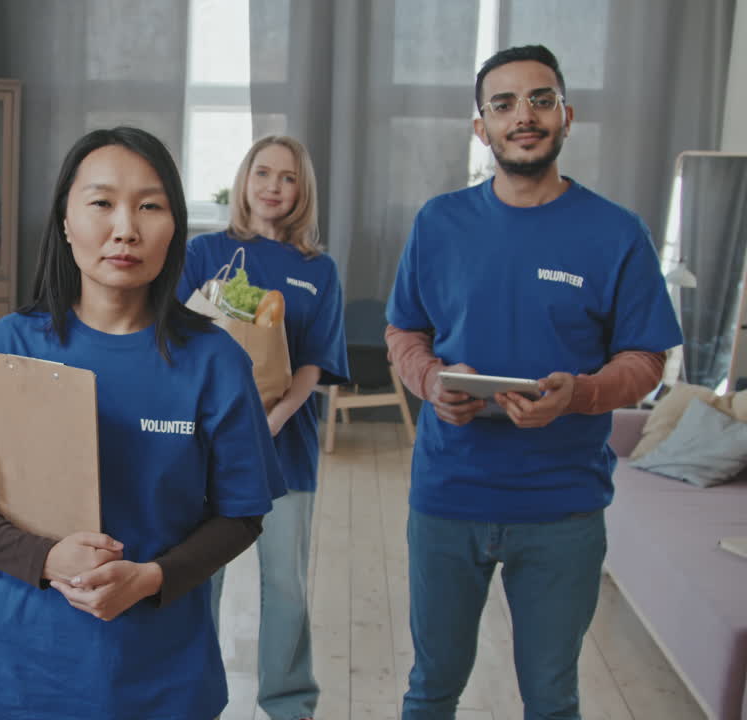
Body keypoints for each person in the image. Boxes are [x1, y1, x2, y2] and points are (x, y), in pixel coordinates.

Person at [0, 126, 284, 720]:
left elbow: (243, 513)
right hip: (27, 668)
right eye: (101, 203)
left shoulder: (215, 363)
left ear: (175, 226)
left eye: (149, 206)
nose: (125, 229)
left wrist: (150, 578)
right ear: (65, 220)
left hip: (164, 676)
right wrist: (44, 558)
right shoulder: (6, 349)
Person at [384, 46, 681, 719]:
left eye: (541, 100)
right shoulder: (439, 223)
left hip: (563, 507)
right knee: (431, 689)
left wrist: (581, 393)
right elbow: (405, 333)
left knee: (551, 698)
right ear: (480, 127)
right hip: (448, 497)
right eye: (504, 103)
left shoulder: (617, 233)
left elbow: (645, 360)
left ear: (567, 116)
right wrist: (430, 380)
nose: (525, 115)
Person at [177, 135, 349, 720]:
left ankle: (288, 702)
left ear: (303, 192)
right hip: (207, 446)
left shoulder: (317, 270)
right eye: (263, 173)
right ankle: (189, 695)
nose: (273, 186)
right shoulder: (205, 254)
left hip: (286, 446)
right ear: (244, 181)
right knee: (201, 578)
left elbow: (313, 363)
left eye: (288, 178)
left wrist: (274, 417)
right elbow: (176, 338)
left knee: (287, 584)